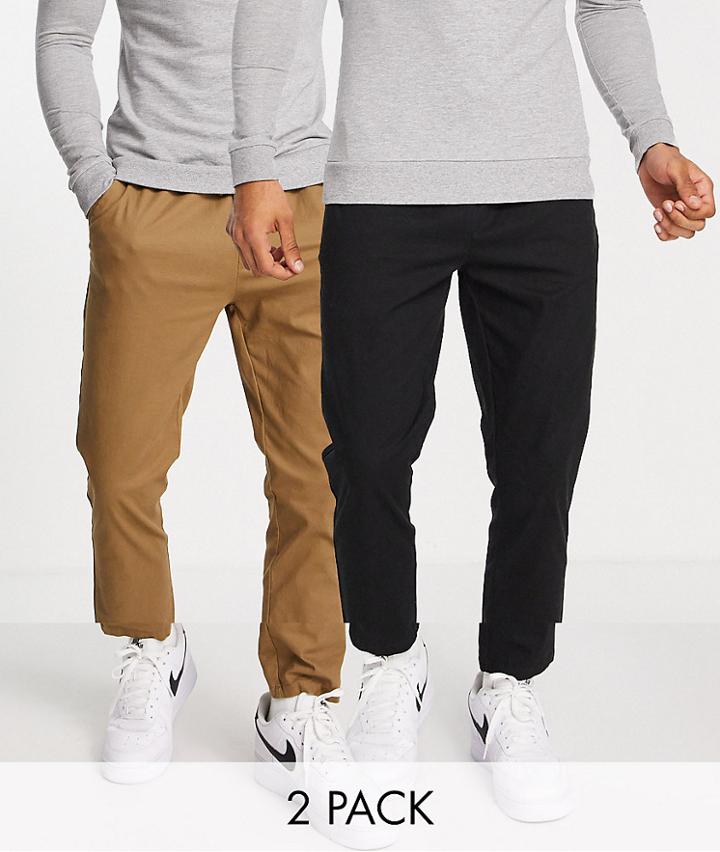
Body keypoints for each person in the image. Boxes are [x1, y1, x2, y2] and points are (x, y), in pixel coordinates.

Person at [230, 0, 716, 823]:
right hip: (382, 188)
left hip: (542, 191)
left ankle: (509, 682)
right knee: (368, 453)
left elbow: (605, 5)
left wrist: (652, 137)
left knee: (541, 456)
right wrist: (254, 165)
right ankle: (391, 660)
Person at [35, 0, 347, 788]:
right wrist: (97, 188)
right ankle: (154, 648)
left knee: (320, 468)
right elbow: (64, 34)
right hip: (153, 201)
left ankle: (301, 694)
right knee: (119, 462)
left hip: (299, 198)